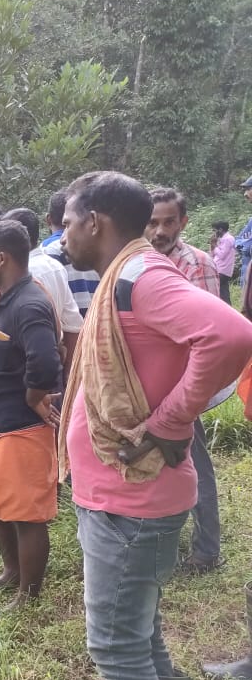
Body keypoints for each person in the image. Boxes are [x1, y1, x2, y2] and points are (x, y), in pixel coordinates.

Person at [56, 171, 252, 680]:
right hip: (121, 496)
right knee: (141, 639)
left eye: (69, 220)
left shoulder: (142, 279)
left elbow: (231, 335)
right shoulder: (130, 277)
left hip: (130, 501)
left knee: (117, 646)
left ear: (97, 222)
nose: (63, 232)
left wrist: (168, 423)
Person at [0, 220, 63, 608]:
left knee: (26, 515)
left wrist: (35, 396)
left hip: (19, 425)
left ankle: (28, 595)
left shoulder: (29, 303)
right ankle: (11, 572)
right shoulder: (5, 299)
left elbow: (46, 361)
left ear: (2, 257)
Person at [145, 188, 224, 574]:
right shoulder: (140, 262)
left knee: (194, 462)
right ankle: (164, 545)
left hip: (182, 388)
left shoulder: (196, 264)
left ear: (183, 223)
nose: (160, 231)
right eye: (153, 222)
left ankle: (207, 552)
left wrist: (187, 396)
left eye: (168, 222)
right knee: (165, 466)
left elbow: (207, 336)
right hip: (152, 385)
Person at [2, 207, 83, 369]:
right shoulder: (54, 266)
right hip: (53, 360)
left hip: (30, 365)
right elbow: (73, 324)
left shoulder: (22, 274)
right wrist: (69, 371)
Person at [43, 189, 100, 316]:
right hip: (96, 321)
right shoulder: (94, 244)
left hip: (71, 329)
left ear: (48, 219)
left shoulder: (47, 251)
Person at [236, 175, 252, 286]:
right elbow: (237, 241)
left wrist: (246, 245)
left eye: (248, 189)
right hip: (247, 276)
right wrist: (246, 246)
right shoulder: (251, 221)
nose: (245, 194)